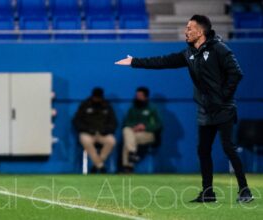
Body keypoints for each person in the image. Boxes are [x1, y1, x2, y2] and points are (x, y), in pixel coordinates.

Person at [115, 15, 253, 203]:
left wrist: (222, 98)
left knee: (229, 148)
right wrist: (135, 62)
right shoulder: (189, 54)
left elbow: (236, 73)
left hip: (223, 109)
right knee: (203, 150)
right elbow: (163, 61)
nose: (185, 31)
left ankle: (244, 190)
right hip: (205, 110)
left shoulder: (219, 49)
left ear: (201, 31)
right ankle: (208, 193)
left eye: (189, 28)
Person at [73, 87, 117, 173]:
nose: (96, 99)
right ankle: (100, 165)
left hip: (102, 133)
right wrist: (87, 129)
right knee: (84, 139)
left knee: (111, 141)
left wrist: (106, 130)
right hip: (88, 133)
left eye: (98, 97)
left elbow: (113, 122)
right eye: (95, 97)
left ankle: (96, 164)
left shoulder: (107, 106)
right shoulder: (85, 105)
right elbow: (76, 121)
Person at [122, 87, 162, 173]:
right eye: (137, 95)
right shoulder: (132, 109)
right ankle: (130, 162)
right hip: (134, 133)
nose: (138, 97)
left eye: (140, 95)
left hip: (149, 135)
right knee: (127, 132)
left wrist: (145, 127)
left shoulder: (152, 109)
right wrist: (135, 127)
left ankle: (128, 166)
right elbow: (127, 123)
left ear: (146, 97)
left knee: (128, 140)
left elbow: (159, 125)